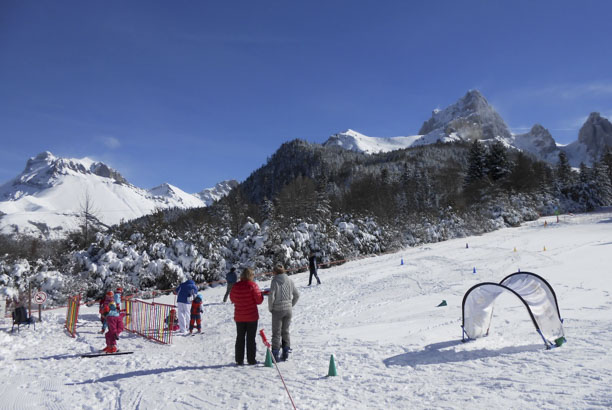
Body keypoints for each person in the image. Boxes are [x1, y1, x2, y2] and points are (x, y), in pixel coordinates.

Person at [230, 268, 263, 365]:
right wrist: (261, 295)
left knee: (240, 337)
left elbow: (232, 298)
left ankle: (239, 359)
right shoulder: (253, 285)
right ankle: (251, 359)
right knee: (251, 338)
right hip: (252, 316)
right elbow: (259, 300)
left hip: (239, 316)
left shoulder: (235, 286)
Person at [268, 264, 299, 361]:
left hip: (277, 310)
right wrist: (291, 305)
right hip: (288, 310)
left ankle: (275, 354)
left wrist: (270, 308)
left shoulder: (275, 281)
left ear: (276, 272)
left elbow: (271, 296)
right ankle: (286, 352)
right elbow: (297, 295)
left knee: (276, 332)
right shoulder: (290, 280)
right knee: (285, 331)